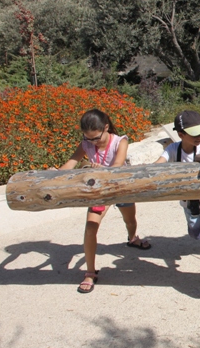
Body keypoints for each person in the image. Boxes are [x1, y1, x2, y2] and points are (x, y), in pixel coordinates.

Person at [58, 109, 151, 294]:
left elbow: (117, 165)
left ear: (106, 128)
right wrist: (56, 174)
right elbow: (71, 162)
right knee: (90, 227)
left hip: (119, 186)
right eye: (88, 138)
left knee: (130, 220)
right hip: (100, 190)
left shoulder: (120, 141)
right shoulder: (86, 143)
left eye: (96, 138)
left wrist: (103, 168)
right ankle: (90, 272)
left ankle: (132, 238)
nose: (92, 142)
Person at [153, 110, 200, 259]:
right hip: (188, 201)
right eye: (194, 134)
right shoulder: (172, 149)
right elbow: (160, 162)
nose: (199, 137)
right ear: (181, 135)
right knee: (195, 231)